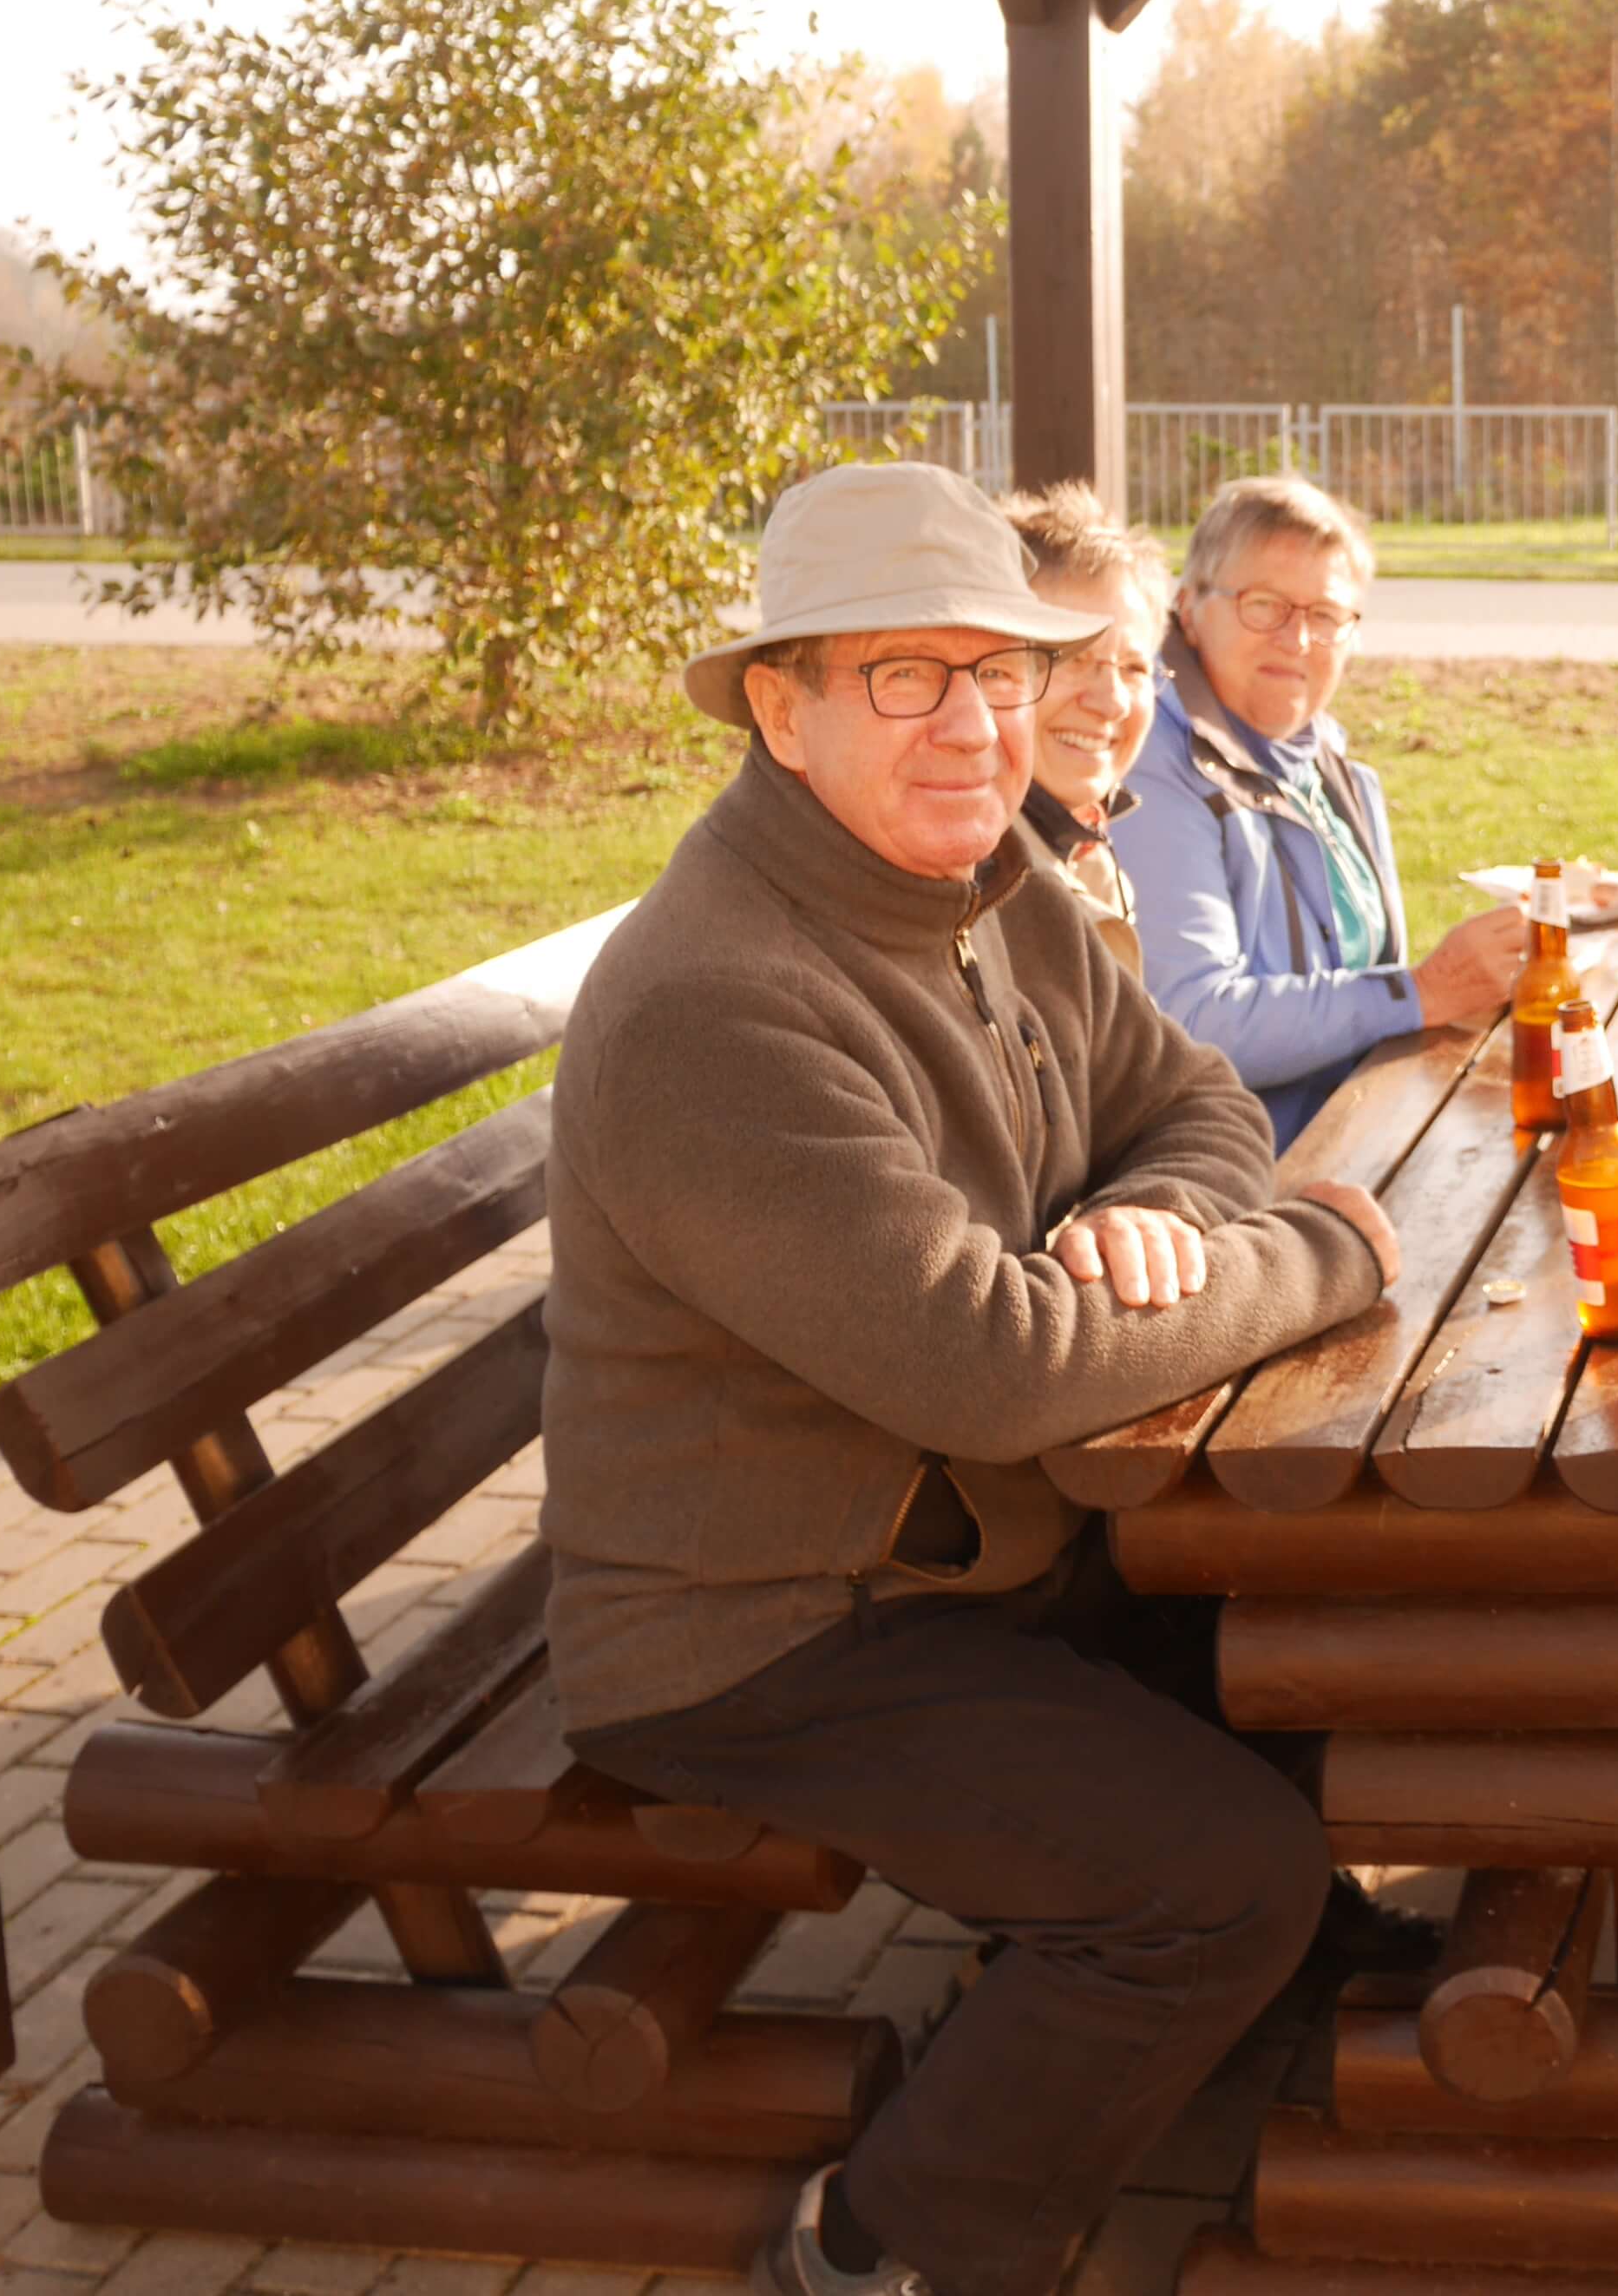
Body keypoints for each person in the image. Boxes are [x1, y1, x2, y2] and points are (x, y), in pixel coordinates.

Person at [537, 460, 1408, 2296]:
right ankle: (883, 2246)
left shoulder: (987, 878)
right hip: (762, 1624)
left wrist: (1157, 1219)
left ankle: (1264, 2005)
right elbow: (997, 1367)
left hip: (969, 1545)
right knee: (1213, 1874)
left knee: (1345, 1634)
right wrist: (1315, 1255)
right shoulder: (719, 1002)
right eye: (903, 675)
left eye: (1001, 672)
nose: (973, 722)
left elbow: (1196, 1099)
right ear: (779, 707)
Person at [1111, 474, 1530, 1142]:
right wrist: (1422, 991)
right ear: (1187, 608)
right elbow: (1192, 1020)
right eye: (1264, 605)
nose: (1298, 639)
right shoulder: (1154, 764)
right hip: (1238, 1169)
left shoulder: (1324, 761)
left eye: (1326, 615)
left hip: (1364, 1130)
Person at [999, 478, 1169, 966]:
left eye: (1134, 668)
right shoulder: (981, 891)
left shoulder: (1087, 856)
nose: (1111, 701)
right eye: (1072, 658)